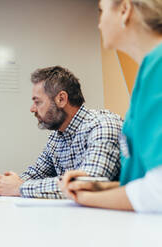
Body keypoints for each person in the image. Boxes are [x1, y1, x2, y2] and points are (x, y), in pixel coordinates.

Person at [59, 0, 162, 213]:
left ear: (124, 10)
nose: (99, 24)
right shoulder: (149, 70)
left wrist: (86, 198)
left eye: (101, 12)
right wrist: (100, 187)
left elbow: (157, 193)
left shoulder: (158, 67)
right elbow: (148, 180)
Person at [0, 66, 123, 198]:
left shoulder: (102, 125)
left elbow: (88, 184)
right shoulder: (57, 136)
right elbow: (35, 173)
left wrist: (20, 187)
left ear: (61, 99)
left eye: (37, 101)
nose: (32, 109)